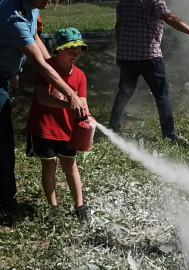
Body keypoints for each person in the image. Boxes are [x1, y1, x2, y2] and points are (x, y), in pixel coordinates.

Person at [0, 0, 86, 212]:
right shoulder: (13, 15)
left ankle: (3, 182)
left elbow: (35, 38)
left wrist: (55, 69)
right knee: (2, 140)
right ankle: (7, 202)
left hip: (3, 77)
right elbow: (38, 62)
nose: (50, 1)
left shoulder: (33, 7)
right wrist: (69, 94)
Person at [108, 0, 189, 140]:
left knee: (124, 93)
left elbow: (119, 26)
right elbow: (169, 18)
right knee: (162, 95)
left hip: (128, 55)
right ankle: (169, 135)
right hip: (149, 55)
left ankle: (113, 129)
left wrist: (120, 51)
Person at [26, 27, 92, 221]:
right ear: (59, 50)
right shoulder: (46, 69)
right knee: (49, 166)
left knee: (71, 165)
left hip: (68, 131)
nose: (76, 54)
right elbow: (43, 97)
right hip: (45, 129)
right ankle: (52, 208)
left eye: (79, 50)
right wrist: (69, 104)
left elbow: (83, 102)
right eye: (71, 50)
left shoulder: (80, 75)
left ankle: (80, 206)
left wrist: (87, 123)